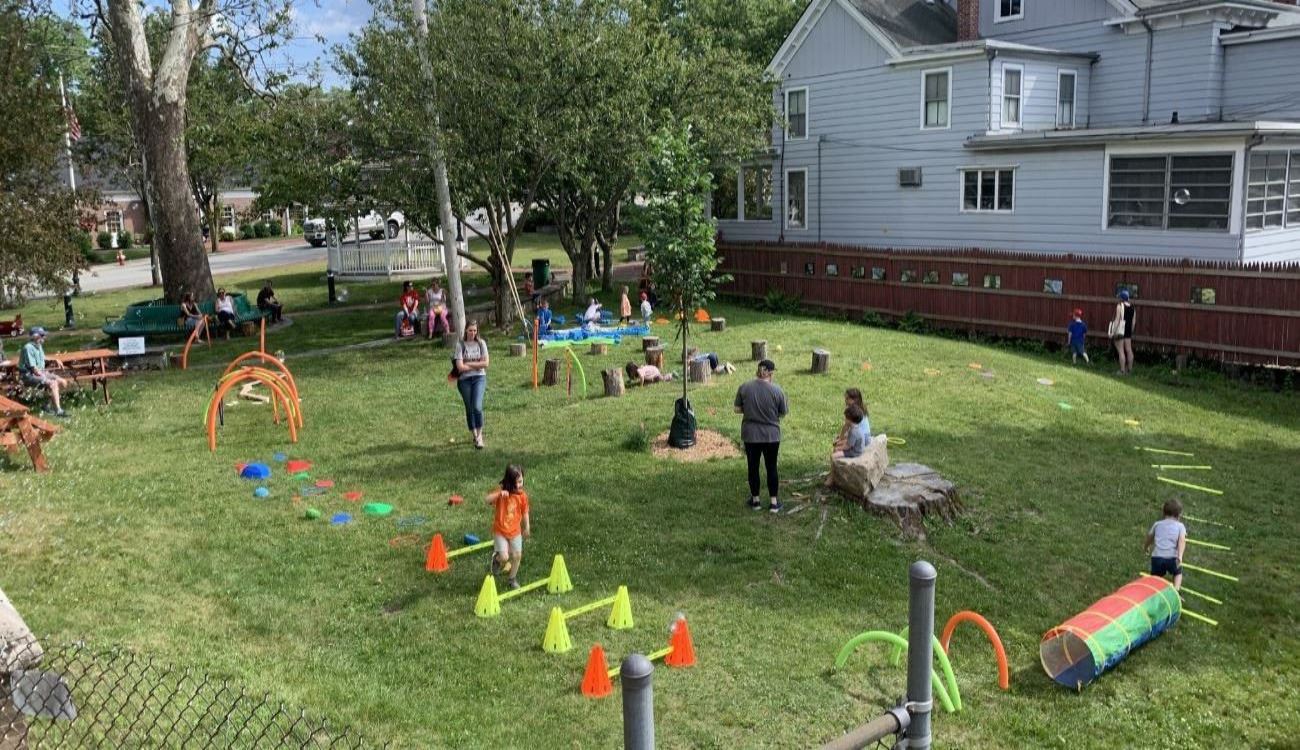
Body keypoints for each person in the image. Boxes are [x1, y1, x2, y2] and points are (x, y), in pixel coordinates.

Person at [734, 359, 788, 513]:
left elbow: (737, 409)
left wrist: (750, 410)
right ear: (770, 373)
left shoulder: (745, 387)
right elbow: (783, 413)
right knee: (771, 467)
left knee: (753, 467)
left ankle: (756, 501)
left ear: (758, 371)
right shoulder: (777, 391)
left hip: (751, 435)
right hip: (772, 436)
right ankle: (773, 503)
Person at [487, 464, 530, 590]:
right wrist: (499, 494)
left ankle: (512, 579)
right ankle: (497, 559)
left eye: (521, 481)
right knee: (505, 557)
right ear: (509, 482)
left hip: (515, 531)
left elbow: (525, 512)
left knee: (517, 556)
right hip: (500, 530)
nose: (519, 485)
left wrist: (527, 526)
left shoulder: (522, 496)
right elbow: (487, 499)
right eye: (516, 482)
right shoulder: (502, 491)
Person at [453, 320, 490, 449]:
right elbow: (460, 367)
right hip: (464, 381)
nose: (472, 333)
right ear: (466, 330)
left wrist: (468, 364)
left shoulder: (481, 343)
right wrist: (476, 365)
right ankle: (474, 435)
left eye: (475, 330)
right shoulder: (460, 345)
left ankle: (480, 436)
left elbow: (485, 364)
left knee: (477, 407)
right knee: (469, 408)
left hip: (479, 378)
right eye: (470, 330)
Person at [17, 328, 68, 418]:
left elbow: (43, 358)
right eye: (42, 335)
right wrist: (47, 378)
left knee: (63, 382)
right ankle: (58, 411)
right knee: (52, 383)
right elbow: (34, 370)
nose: (44, 337)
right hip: (27, 375)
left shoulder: (38, 345)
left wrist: (54, 359)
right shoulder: (28, 348)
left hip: (40, 372)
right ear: (36, 337)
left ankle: (46, 405)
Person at [1145, 499, 1186, 590]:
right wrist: (1180, 556)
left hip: (1157, 558)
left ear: (1163, 513)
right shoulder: (1180, 526)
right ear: (1179, 515)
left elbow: (1149, 537)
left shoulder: (1157, 524)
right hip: (1172, 558)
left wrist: (1146, 547)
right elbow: (1182, 540)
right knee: (1177, 573)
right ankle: (1176, 590)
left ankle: (1154, 591)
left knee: (1156, 577)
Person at [1112, 290, 1136, 375]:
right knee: (1129, 350)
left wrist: (1113, 331)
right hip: (1128, 331)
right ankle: (1129, 370)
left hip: (1120, 330)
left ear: (1121, 298)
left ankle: (1122, 371)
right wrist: (1130, 331)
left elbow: (1117, 320)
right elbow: (1133, 322)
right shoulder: (1133, 307)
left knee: (1121, 350)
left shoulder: (1119, 306)